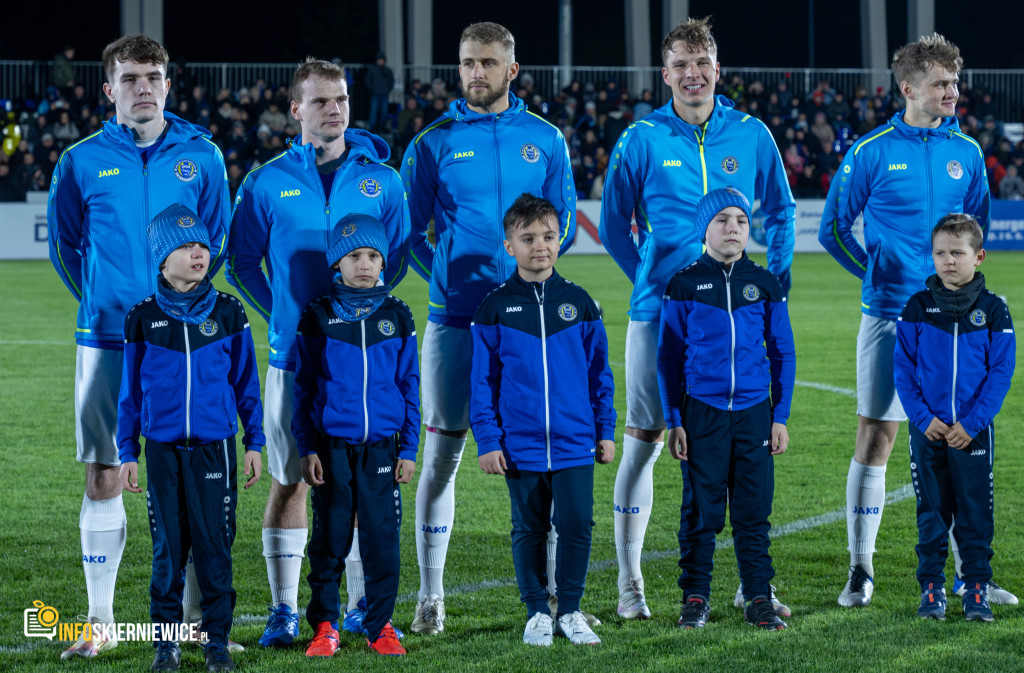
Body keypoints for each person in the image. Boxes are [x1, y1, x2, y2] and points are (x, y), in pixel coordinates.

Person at [599, 16, 795, 619]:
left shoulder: (752, 133)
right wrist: (655, 282)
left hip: (738, 316)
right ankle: (631, 583)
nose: (692, 74)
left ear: (717, 68)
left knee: (742, 449)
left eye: (702, 62)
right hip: (660, 314)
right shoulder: (640, 139)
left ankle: (749, 584)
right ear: (666, 74)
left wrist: (776, 283)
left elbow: (782, 212)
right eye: (680, 65)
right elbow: (613, 226)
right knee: (645, 440)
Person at [47, 34, 230, 660]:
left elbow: (217, 242)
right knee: (103, 472)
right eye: (129, 79)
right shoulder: (77, 161)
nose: (142, 88)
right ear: (109, 89)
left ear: (169, 84)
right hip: (105, 339)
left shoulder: (202, 156)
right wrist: (110, 304)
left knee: (187, 475)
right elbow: (67, 248)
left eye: (152, 76)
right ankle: (98, 622)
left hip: (181, 340)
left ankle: (184, 626)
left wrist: (171, 310)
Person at [816, 33, 1006, 607]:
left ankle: (972, 576)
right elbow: (833, 230)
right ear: (909, 88)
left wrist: (963, 286)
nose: (953, 92)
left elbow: (977, 231)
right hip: (891, 316)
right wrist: (875, 274)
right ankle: (860, 569)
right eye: (941, 83)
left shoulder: (967, 152)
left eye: (955, 82)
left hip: (955, 325)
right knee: (877, 436)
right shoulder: (871, 150)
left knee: (957, 442)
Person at [227, 56, 410, 648]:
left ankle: (358, 607)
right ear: (296, 109)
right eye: (322, 100)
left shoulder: (384, 179)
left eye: (342, 100)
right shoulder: (265, 179)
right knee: (289, 482)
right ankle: (283, 610)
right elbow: (242, 263)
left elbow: (398, 258)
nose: (334, 110)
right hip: (294, 361)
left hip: (363, 361)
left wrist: (365, 311)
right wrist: (285, 316)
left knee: (358, 488)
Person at [400, 21, 576, 634]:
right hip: (455, 322)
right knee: (442, 455)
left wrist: (528, 279)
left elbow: (565, 224)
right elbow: (407, 234)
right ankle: (430, 595)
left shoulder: (546, 139)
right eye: (467, 63)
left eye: (487, 63)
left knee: (540, 461)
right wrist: (446, 276)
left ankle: (552, 597)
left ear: (512, 70)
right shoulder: (432, 141)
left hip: (530, 324)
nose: (476, 73)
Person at [117, 204, 263, 672]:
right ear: (163, 258)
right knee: (167, 551)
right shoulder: (141, 317)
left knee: (215, 546)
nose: (198, 253)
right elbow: (129, 394)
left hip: (215, 448)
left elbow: (246, 383)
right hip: (160, 451)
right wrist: (128, 451)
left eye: (201, 244)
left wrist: (254, 442)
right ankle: (167, 642)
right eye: (185, 246)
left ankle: (216, 640)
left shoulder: (227, 311)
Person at [470, 194, 615, 647]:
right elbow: (481, 383)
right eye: (528, 237)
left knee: (576, 524)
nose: (541, 245)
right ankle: (536, 610)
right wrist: (489, 439)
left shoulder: (580, 303)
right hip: (521, 443)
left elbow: (600, 375)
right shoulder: (494, 308)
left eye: (549, 236)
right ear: (509, 245)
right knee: (528, 528)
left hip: (575, 441)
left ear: (560, 240)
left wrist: (605, 430)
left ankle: (570, 610)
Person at [658, 187, 795, 631]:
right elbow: (668, 358)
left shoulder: (766, 282)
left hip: (755, 413)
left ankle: (758, 597)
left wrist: (780, 416)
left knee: (753, 513)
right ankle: (695, 600)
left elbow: (783, 353)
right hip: (702, 413)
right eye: (722, 220)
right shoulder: (683, 284)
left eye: (740, 219)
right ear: (705, 228)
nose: (733, 227)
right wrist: (674, 420)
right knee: (701, 514)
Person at [293, 213, 418, 657]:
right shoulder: (318, 315)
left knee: (382, 539)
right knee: (330, 538)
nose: (364, 264)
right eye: (353, 256)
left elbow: (409, 385)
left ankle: (379, 625)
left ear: (382, 262)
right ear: (336, 264)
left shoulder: (397, 314)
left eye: (372, 255)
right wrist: (306, 448)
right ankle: (325, 625)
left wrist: (409, 448)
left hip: (383, 447)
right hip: (332, 448)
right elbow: (304, 387)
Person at [894, 214, 1015, 622]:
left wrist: (973, 423)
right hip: (927, 430)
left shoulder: (994, 310)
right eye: (940, 253)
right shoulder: (917, 307)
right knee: (931, 511)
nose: (948, 261)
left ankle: (975, 587)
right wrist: (922, 417)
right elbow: (904, 371)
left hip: (972, 433)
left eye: (957, 253)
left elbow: (1000, 374)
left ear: (978, 256)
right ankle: (932, 588)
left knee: (975, 512)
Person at [365, 51, 395, 134]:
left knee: (383, 112)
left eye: (381, 60)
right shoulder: (372, 69)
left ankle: (381, 128)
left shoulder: (387, 70)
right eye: (379, 60)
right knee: (373, 112)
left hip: (384, 95)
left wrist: (388, 90)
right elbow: (368, 80)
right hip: (375, 94)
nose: (380, 61)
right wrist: (372, 89)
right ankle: (373, 129)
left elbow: (391, 81)